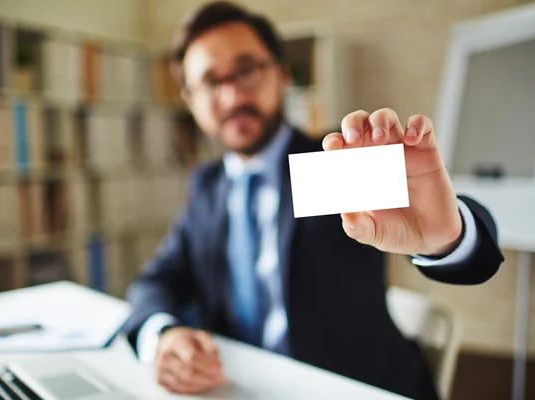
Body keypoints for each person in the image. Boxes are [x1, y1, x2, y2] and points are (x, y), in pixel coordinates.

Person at [123, 2, 504, 399]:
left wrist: (448, 237)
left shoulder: (332, 162)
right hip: (238, 386)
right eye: (210, 82)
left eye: (247, 69)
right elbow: (156, 281)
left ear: (283, 72)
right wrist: (162, 335)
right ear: (190, 100)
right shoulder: (206, 186)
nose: (233, 94)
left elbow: (458, 241)